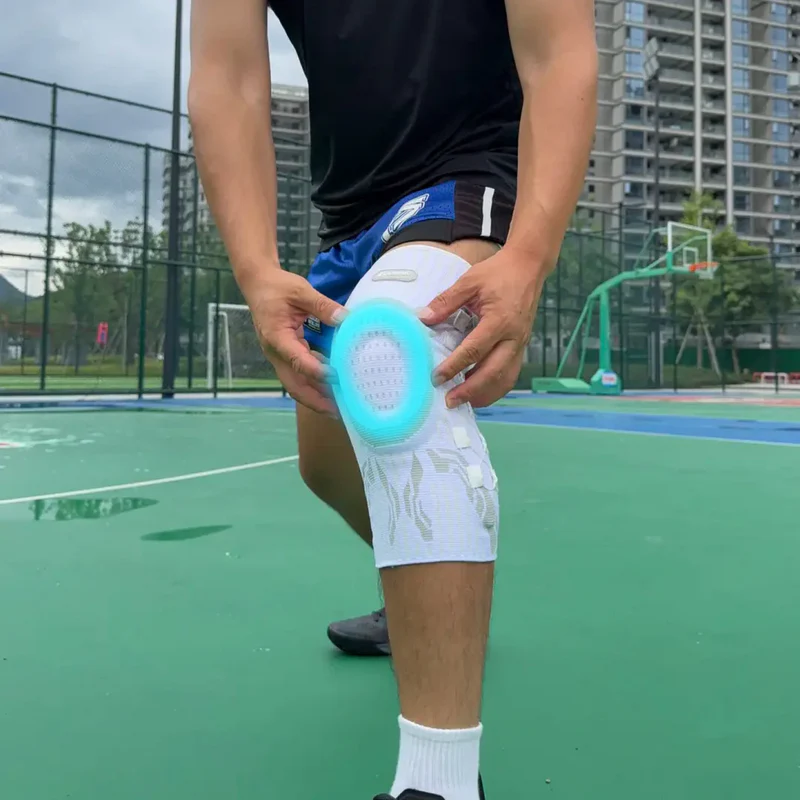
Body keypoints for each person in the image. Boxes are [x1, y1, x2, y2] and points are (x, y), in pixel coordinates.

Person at [189, 1, 597, 797]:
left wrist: (529, 257)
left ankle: (441, 781)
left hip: (468, 168)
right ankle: (418, 595)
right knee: (326, 465)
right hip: (349, 214)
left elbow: (558, 52)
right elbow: (227, 76)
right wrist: (256, 269)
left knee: (392, 368)